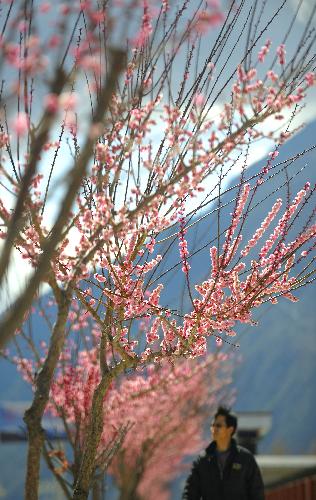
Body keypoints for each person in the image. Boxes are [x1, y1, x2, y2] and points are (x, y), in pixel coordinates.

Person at [182, 406, 264, 500]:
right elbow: (190, 493)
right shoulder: (203, 460)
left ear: (230, 430)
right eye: (212, 425)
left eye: (219, 425)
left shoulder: (246, 459)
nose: (214, 428)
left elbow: (257, 494)